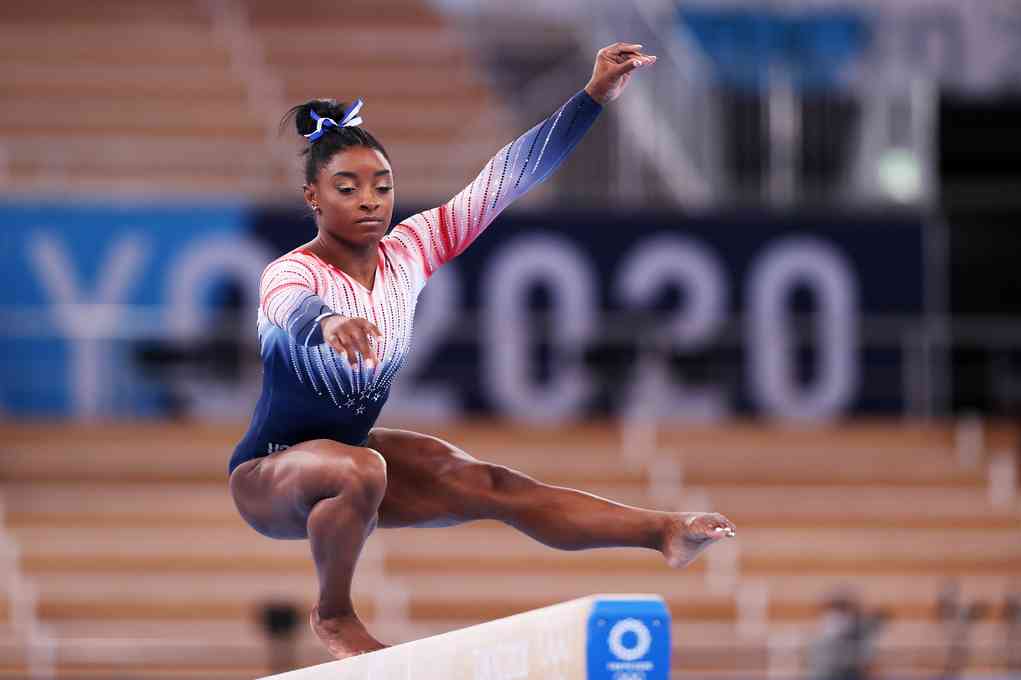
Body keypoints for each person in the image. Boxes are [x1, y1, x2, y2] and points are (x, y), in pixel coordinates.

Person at [228, 42, 736, 660]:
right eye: (347, 187)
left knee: (487, 482)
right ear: (314, 198)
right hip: (270, 474)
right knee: (360, 468)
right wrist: (330, 323)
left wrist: (593, 98)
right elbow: (290, 306)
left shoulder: (411, 249)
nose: (369, 200)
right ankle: (333, 612)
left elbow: (505, 180)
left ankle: (661, 531)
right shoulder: (292, 272)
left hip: (353, 462)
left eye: (382, 186)